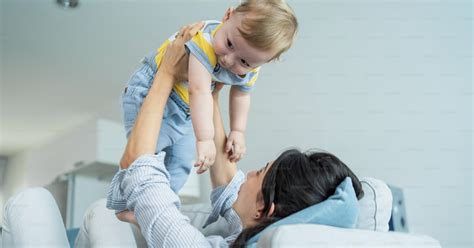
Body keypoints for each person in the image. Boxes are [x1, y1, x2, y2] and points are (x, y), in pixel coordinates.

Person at [2, 23, 362, 248]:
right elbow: (227, 185)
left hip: (159, 91)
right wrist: (212, 90)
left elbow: (137, 164)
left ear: (264, 209)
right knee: (101, 212)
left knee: (33, 199)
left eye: (258, 173)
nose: (246, 173)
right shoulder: (249, 233)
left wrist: (166, 75)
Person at [122, 0, 298, 193]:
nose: (228, 60)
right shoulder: (204, 40)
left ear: (264, 62)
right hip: (152, 87)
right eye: (229, 44)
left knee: (181, 165)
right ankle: (129, 197)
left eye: (244, 62)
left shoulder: (252, 67)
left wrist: (238, 131)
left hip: (189, 109)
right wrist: (206, 139)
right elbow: (199, 90)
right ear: (227, 16)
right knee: (144, 156)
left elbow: (241, 95)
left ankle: (162, 201)